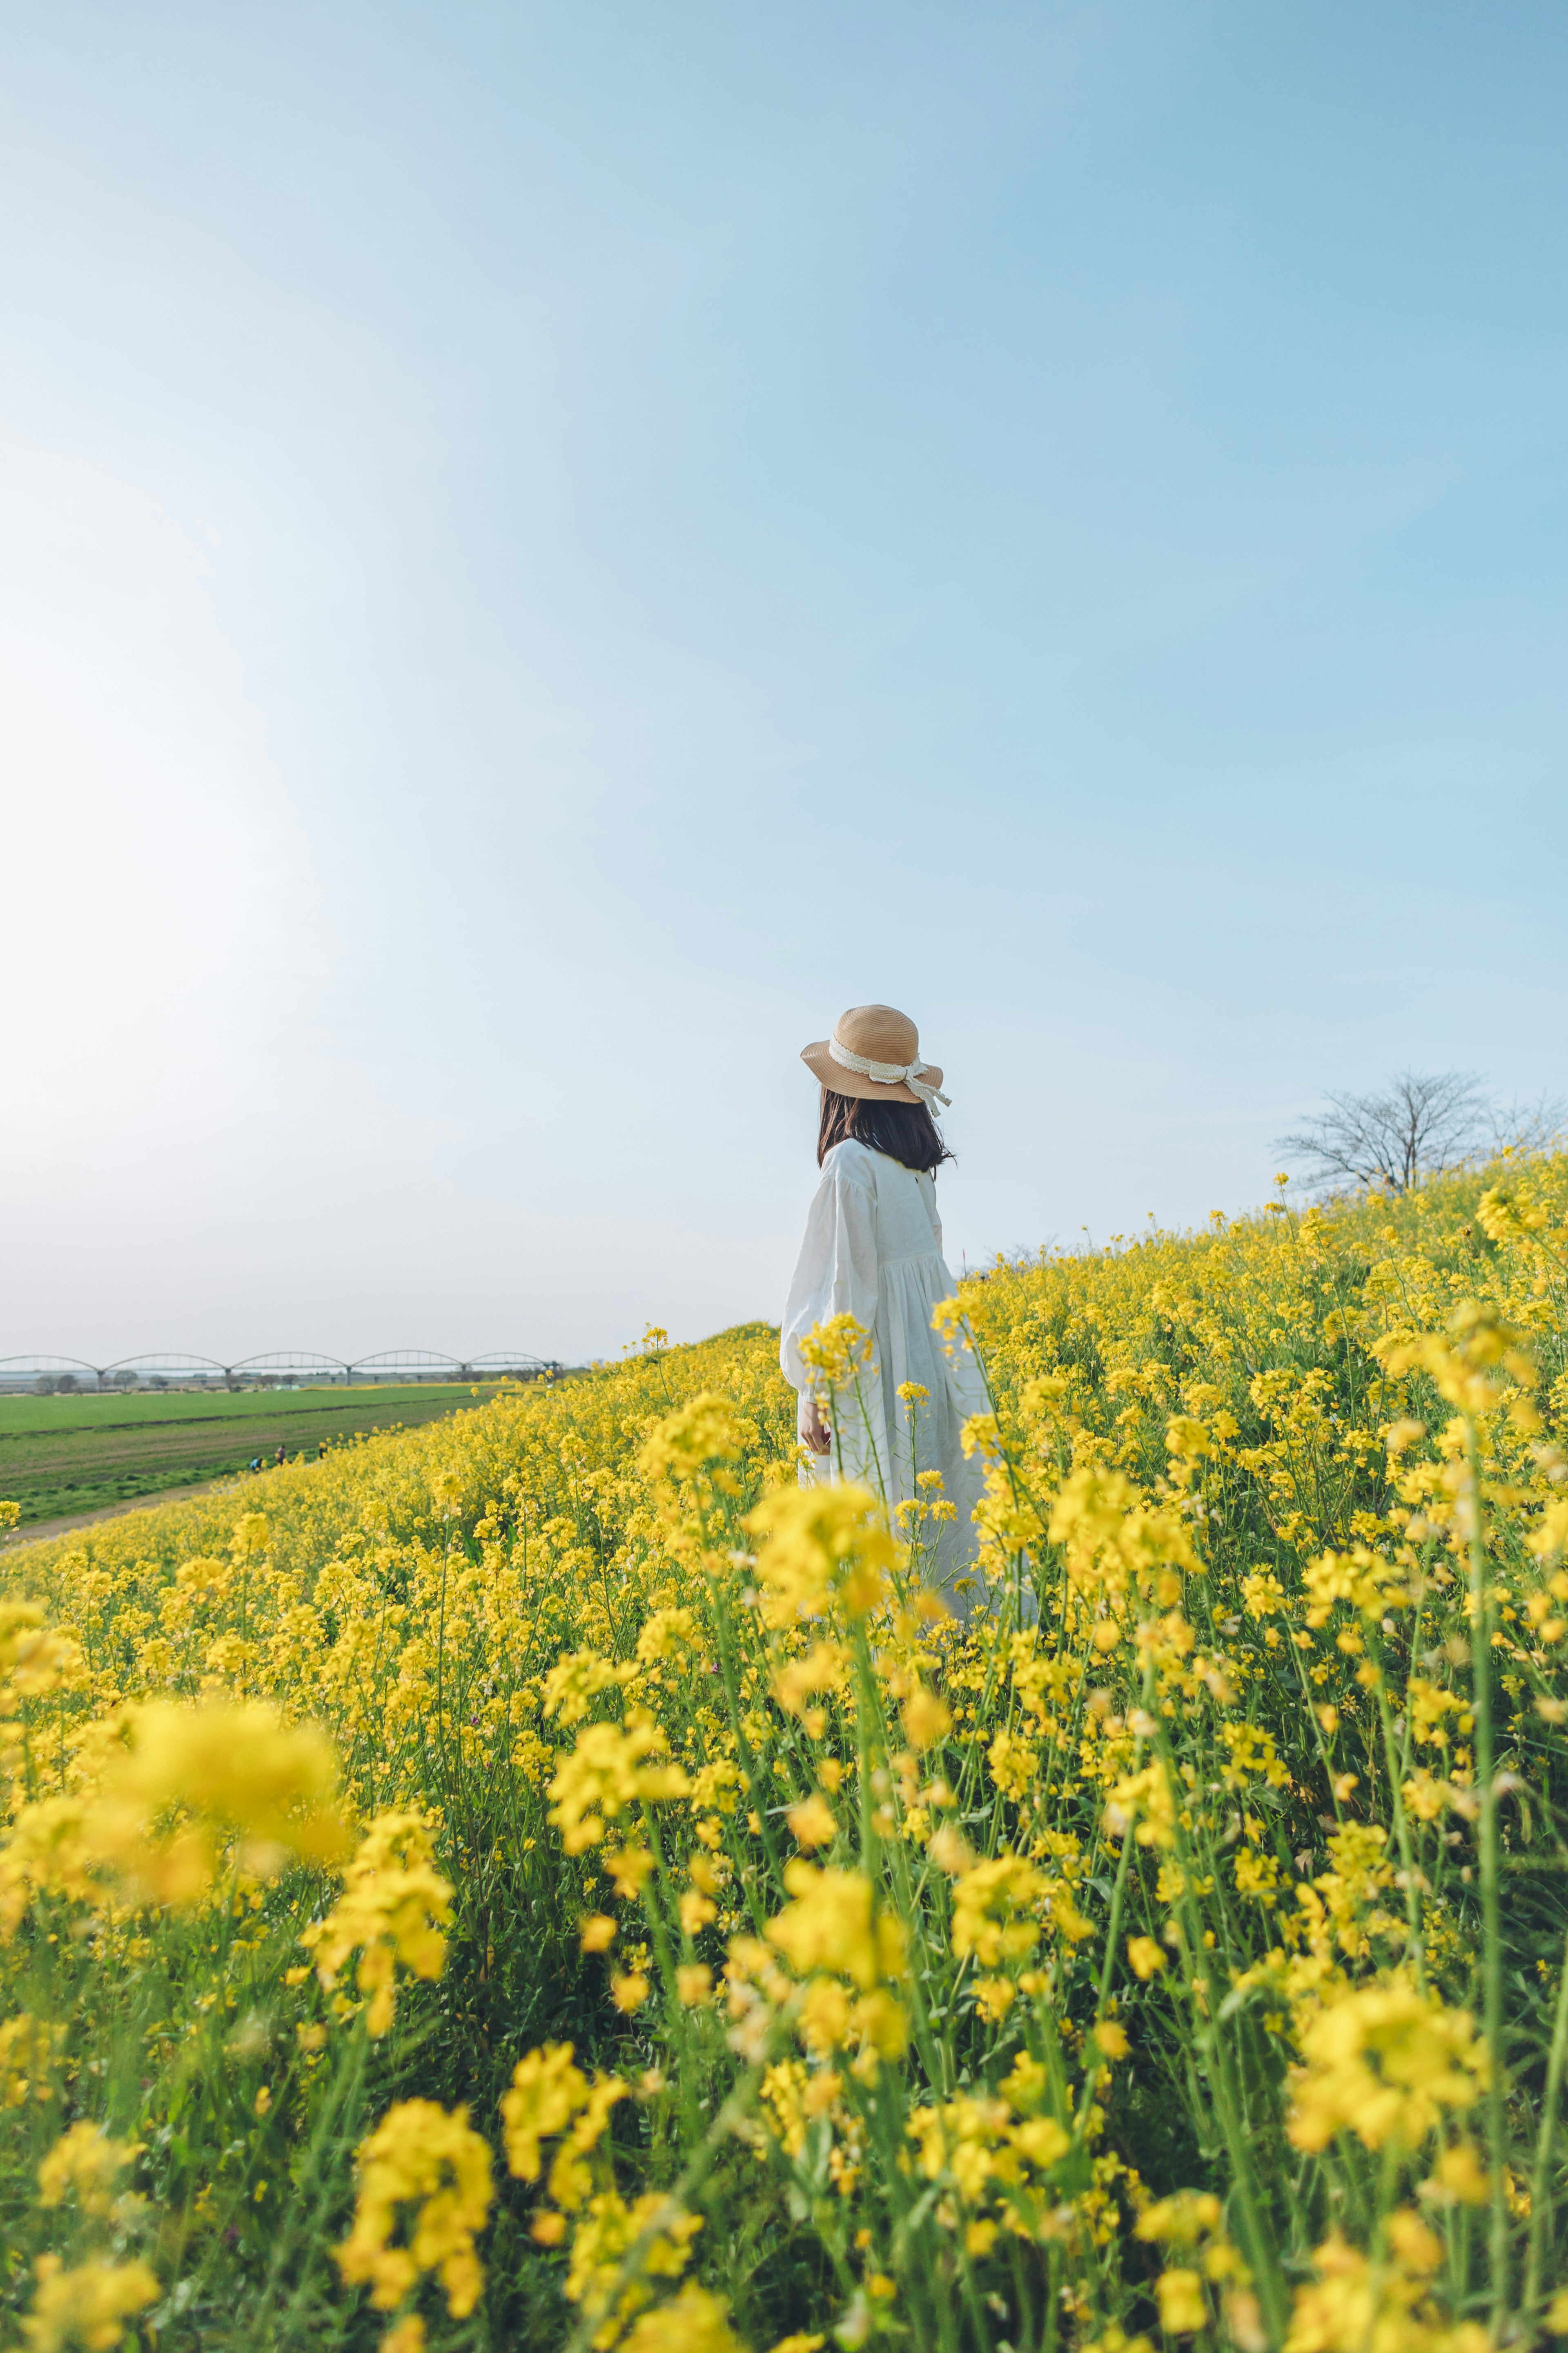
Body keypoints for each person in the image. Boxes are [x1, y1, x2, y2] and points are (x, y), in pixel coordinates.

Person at [780, 1003, 992, 1619]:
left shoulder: (849, 1163)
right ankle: (954, 1639)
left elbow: (844, 1290)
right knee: (932, 1485)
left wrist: (814, 1386)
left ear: (838, 1093)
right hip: (933, 1349)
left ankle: (886, 1653)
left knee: (872, 1494)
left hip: (873, 1357)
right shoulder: (914, 1166)